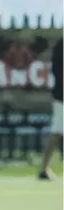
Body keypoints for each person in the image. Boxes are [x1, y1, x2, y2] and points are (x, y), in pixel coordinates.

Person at [39, 37, 63, 180]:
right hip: (62, 96)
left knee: (56, 132)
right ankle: (44, 169)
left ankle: (45, 169)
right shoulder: (61, 45)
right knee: (56, 132)